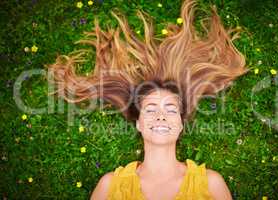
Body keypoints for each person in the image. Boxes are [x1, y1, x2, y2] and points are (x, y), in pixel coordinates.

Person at [46, 0, 249, 199]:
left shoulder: (211, 183)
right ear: (138, 124)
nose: (161, 115)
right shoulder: (110, 186)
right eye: (150, 109)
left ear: (180, 125)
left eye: (170, 109)